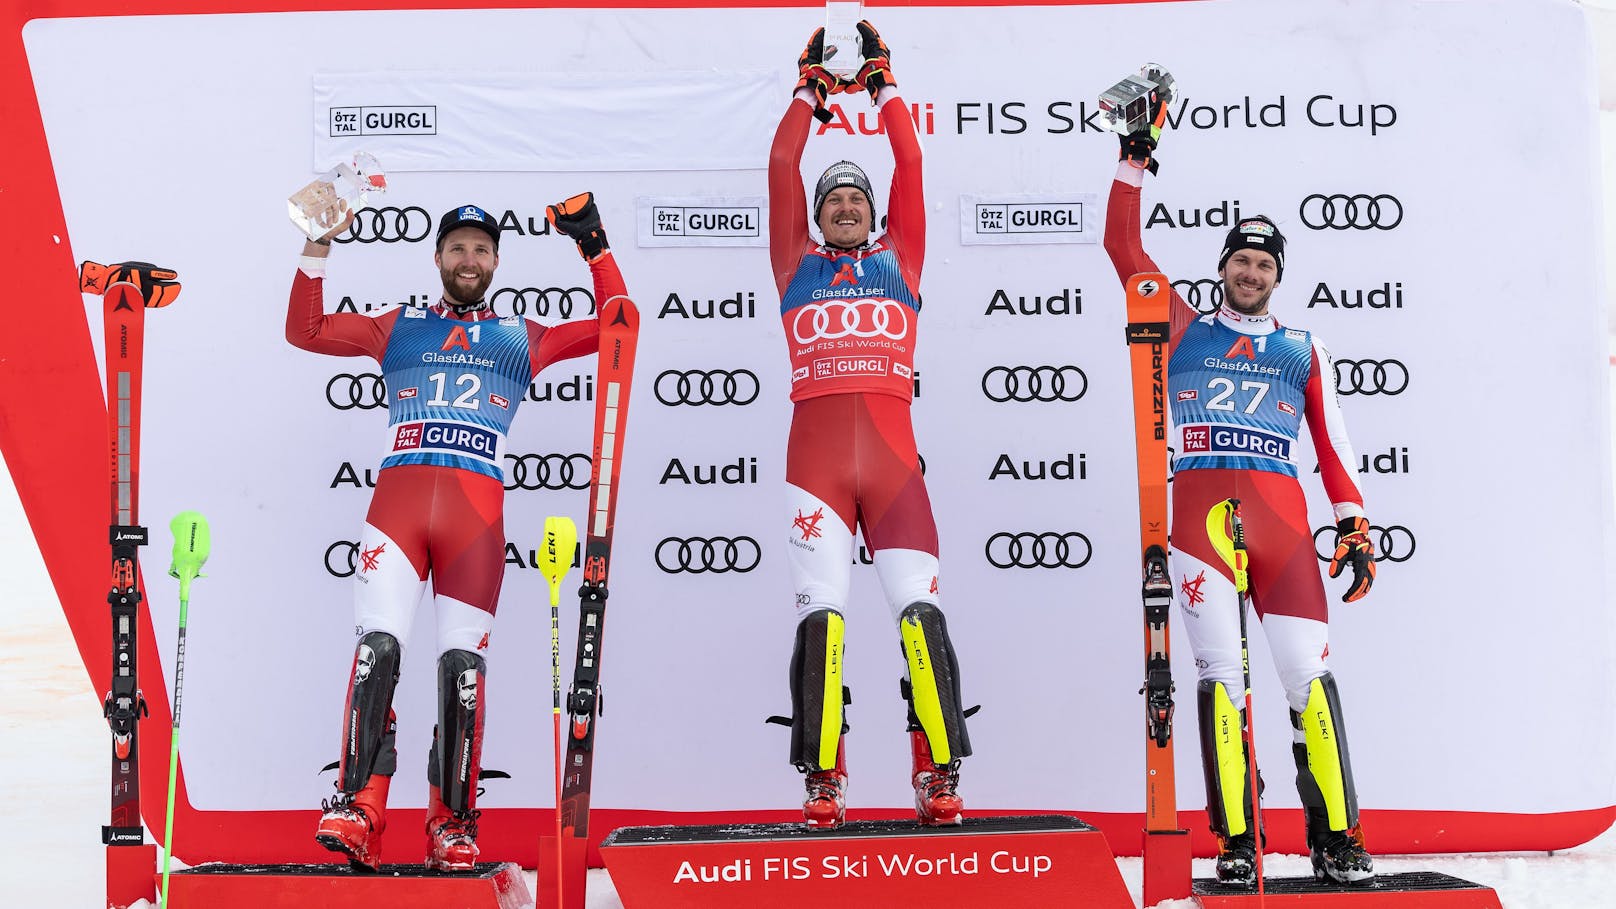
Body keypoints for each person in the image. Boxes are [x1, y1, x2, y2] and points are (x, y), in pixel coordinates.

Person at [288, 195, 628, 871]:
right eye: (457, 248)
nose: (468, 259)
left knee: (461, 670)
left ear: (496, 261)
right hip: (398, 511)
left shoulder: (519, 336)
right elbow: (306, 328)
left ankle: (452, 822)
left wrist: (596, 247)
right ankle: (359, 806)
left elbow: (622, 326)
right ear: (437, 257)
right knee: (376, 652)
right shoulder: (399, 326)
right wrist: (317, 245)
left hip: (474, 521)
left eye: (480, 249)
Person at [1102, 85, 1379, 886]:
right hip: (1198, 523)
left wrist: (1354, 524)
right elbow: (1123, 248)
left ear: (1276, 275)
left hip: (1283, 521)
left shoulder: (1302, 346)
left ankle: (1338, 836)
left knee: (1308, 679)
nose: (1250, 271)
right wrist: (1133, 158)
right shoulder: (1181, 324)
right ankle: (1234, 838)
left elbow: (1333, 445)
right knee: (1221, 680)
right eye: (1239, 260)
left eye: (1263, 263)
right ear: (1221, 267)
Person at [766, 21, 973, 831]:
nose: (846, 206)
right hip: (814, 465)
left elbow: (911, 162)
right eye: (834, 201)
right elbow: (785, 164)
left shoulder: (903, 259)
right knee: (822, 618)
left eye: (857, 198)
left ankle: (937, 769)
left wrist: (883, 83)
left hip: (894, 470)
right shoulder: (796, 265)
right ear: (819, 218)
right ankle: (825, 778)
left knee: (920, 614)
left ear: (873, 213)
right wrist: (810, 92)